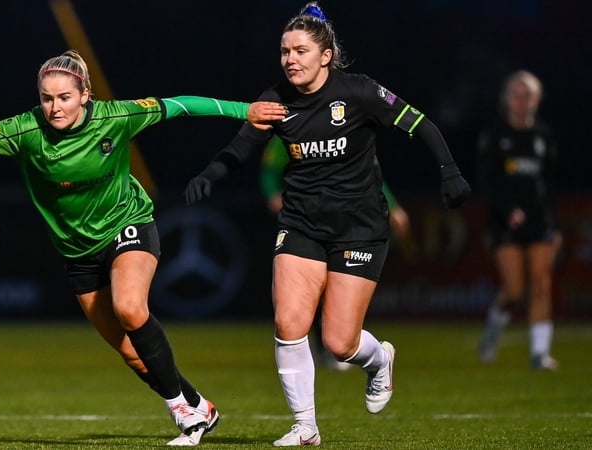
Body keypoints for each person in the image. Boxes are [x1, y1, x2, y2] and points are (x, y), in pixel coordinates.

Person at [0, 49, 287, 446]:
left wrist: (246, 111)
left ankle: (184, 415)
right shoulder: (25, 129)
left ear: (85, 94)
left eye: (64, 97)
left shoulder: (116, 116)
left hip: (128, 223)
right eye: (47, 98)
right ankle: (198, 405)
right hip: (78, 253)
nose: (55, 107)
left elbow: (181, 106)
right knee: (132, 354)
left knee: (130, 308)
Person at [184, 3, 470, 446]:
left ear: (326, 55)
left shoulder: (358, 93)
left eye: (300, 50)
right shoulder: (276, 100)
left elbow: (420, 124)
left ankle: (379, 362)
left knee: (339, 342)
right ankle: (305, 426)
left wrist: (449, 171)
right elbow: (241, 148)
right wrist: (210, 174)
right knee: (289, 321)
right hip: (300, 222)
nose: (290, 59)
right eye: (284, 51)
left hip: (360, 227)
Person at [260, 137, 411, 371]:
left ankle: (346, 347)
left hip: (349, 221)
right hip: (304, 221)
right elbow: (269, 169)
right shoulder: (291, 126)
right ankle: (320, 348)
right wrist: (273, 194)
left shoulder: (348, 124)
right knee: (310, 292)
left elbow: (369, 175)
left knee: (338, 290)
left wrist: (392, 207)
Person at [477, 70, 561, 371]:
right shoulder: (496, 136)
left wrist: (555, 224)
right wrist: (507, 209)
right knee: (513, 290)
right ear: (507, 99)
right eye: (517, 95)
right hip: (505, 222)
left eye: (528, 95)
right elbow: (488, 182)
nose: (523, 101)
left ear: (537, 100)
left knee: (540, 284)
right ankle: (493, 330)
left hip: (539, 221)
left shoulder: (542, 136)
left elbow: (549, 184)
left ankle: (540, 353)